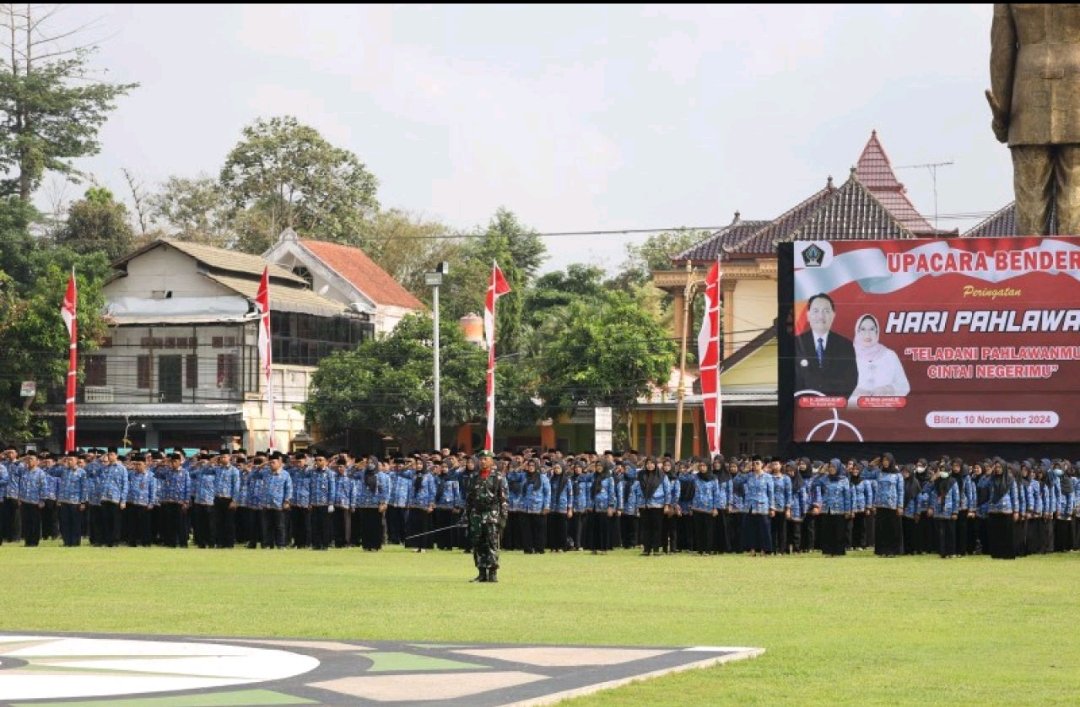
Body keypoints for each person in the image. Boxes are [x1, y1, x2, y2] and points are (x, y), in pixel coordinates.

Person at [988, 4, 1080, 235]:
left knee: (1030, 205)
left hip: (1026, 98)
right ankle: (1071, 268)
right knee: (1075, 199)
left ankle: (1029, 268)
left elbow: (1002, 49)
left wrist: (1001, 112)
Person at [794, 293, 858, 399]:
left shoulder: (845, 345)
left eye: (826, 311)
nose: (821, 316)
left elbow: (850, 380)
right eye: (816, 311)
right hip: (802, 407)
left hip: (834, 407)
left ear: (833, 315)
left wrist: (829, 402)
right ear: (808, 315)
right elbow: (791, 379)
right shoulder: (795, 344)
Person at [847, 314, 910, 406]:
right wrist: (853, 392)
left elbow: (904, 386)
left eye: (872, 329)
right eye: (863, 329)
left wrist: (889, 390)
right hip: (855, 411)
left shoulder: (890, 355)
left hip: (885, 411)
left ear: (877, 331)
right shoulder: (847, 355)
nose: (867, 334)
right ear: (857, 331)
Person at [465, 450, 508, 583]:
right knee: (478, 544)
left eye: (485, 459)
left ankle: (493, 572)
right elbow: (469, 499)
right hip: (476, 515)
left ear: (491, 461)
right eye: (481, 459)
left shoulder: (498, 477)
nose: (483, 461)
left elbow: (504, 500)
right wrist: (466, 515)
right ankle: (481, 572)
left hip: (491, 515)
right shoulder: (474, 477)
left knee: (492, 543)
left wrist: (503, 517)